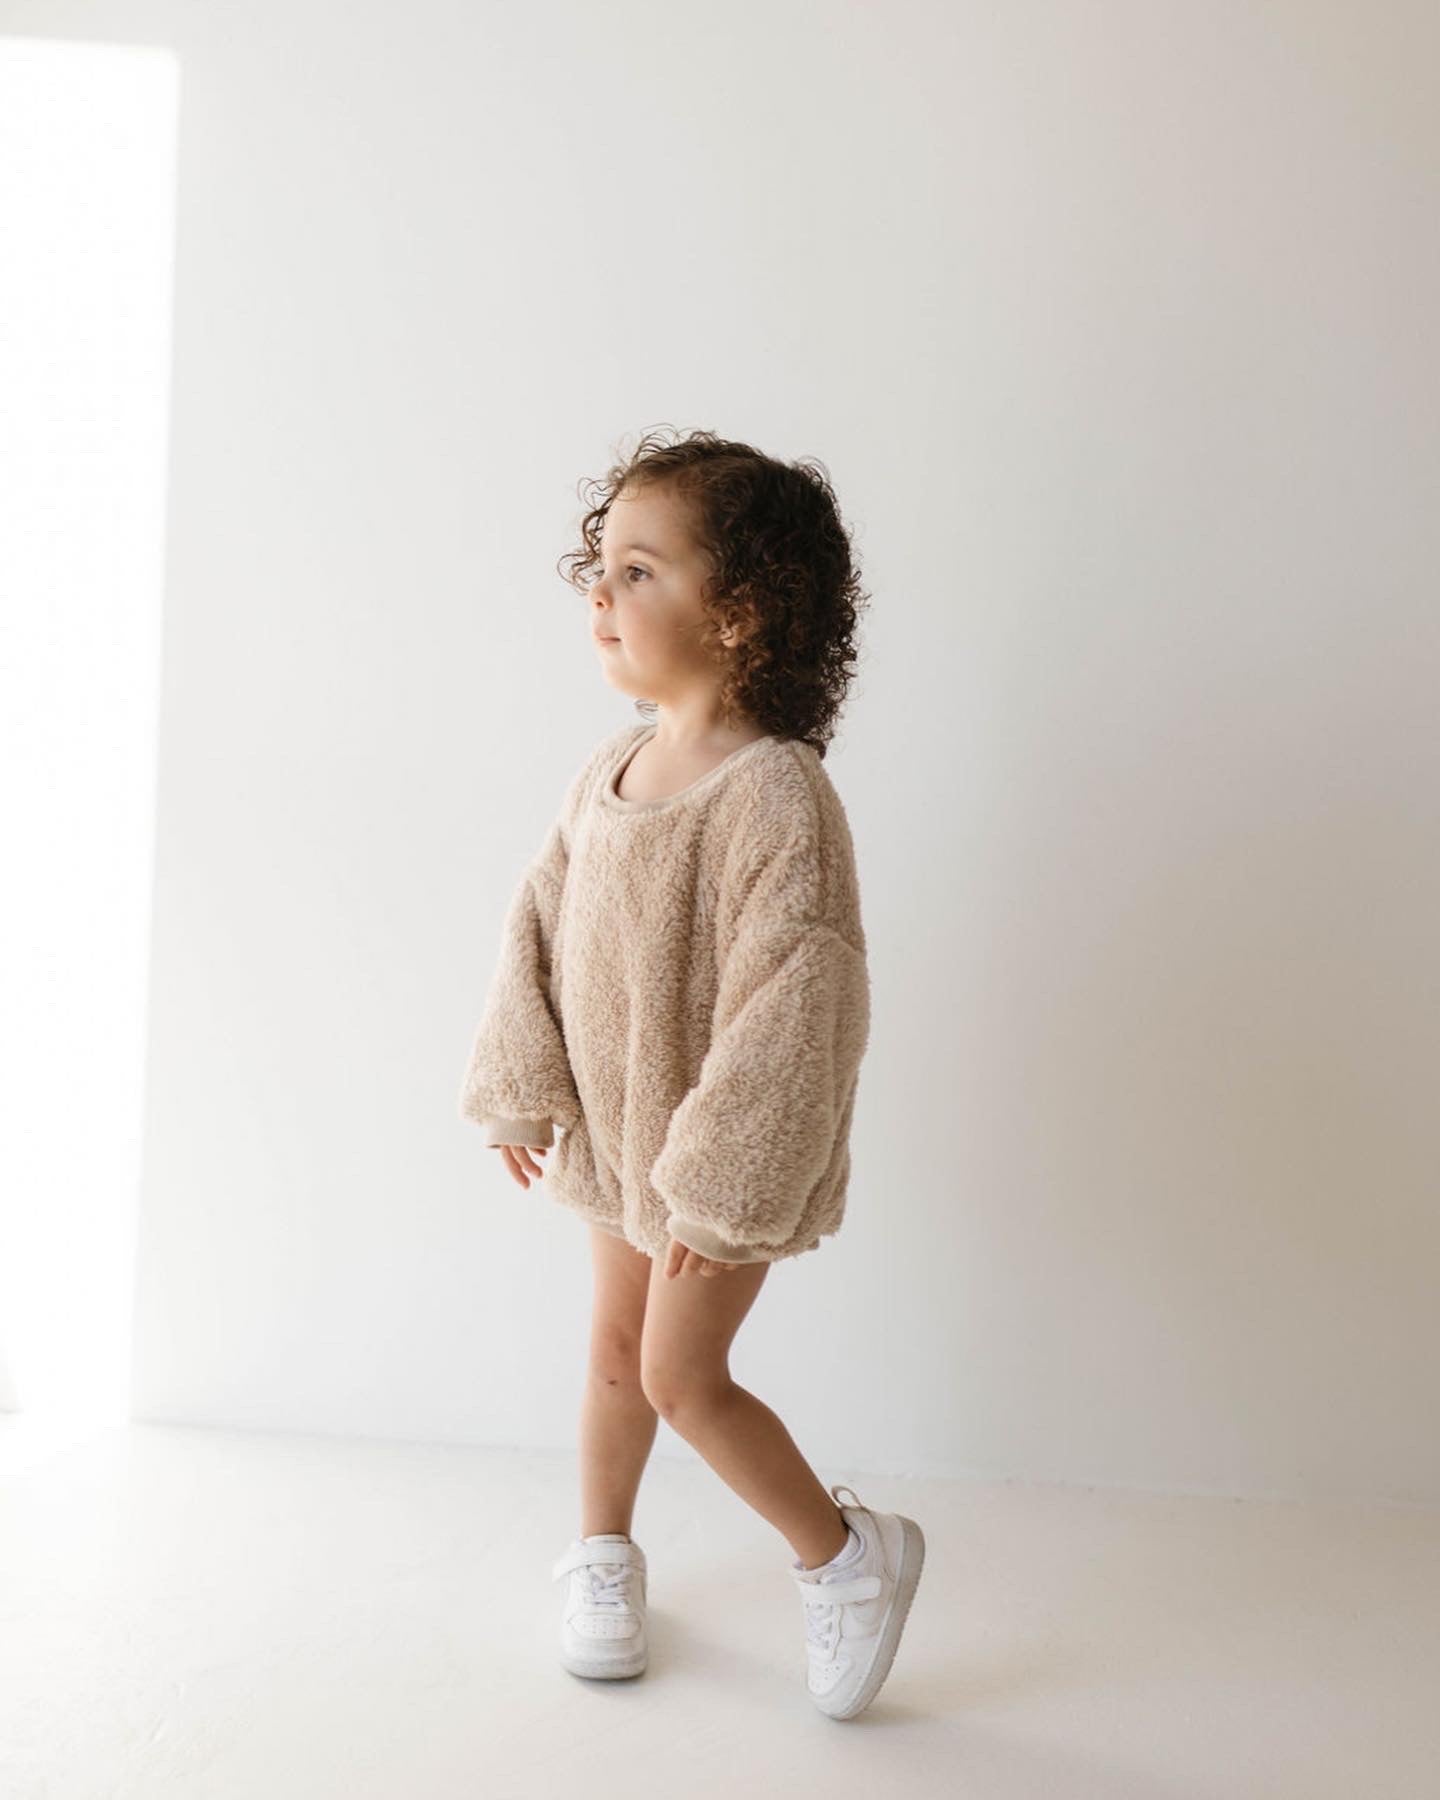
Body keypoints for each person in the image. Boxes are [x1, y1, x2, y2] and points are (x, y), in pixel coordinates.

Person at [457, 427, 924, 1720]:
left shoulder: (776, 796)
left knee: (682, 1378)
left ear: (742, 616)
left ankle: (846, 1559)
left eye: (639, 571)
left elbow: (800, 1000)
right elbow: (536, 926)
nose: (599, 595)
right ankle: (601, 1549)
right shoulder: (607, 772)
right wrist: (519, 1081)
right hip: (618, 1136)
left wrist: (721, 1190)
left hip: (712, 1160)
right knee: (615, 1357)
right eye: (597, 567)